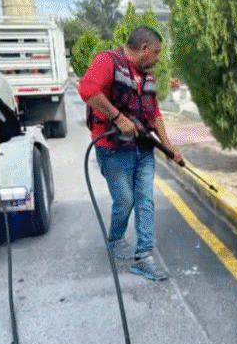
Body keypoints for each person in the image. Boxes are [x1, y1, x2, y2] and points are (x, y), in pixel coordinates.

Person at [78, 26, 184, 282]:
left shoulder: (148, 77)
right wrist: (117, 117)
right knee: (125, 201)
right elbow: (87, 90)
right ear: (144, 48)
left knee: (145, 200)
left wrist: (168, 146)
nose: (158, 58)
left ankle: (144, 256)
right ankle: (115, 238)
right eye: (156, 52)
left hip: (143, 149)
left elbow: (154, 113)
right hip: (113, 149)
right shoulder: (107, 61)